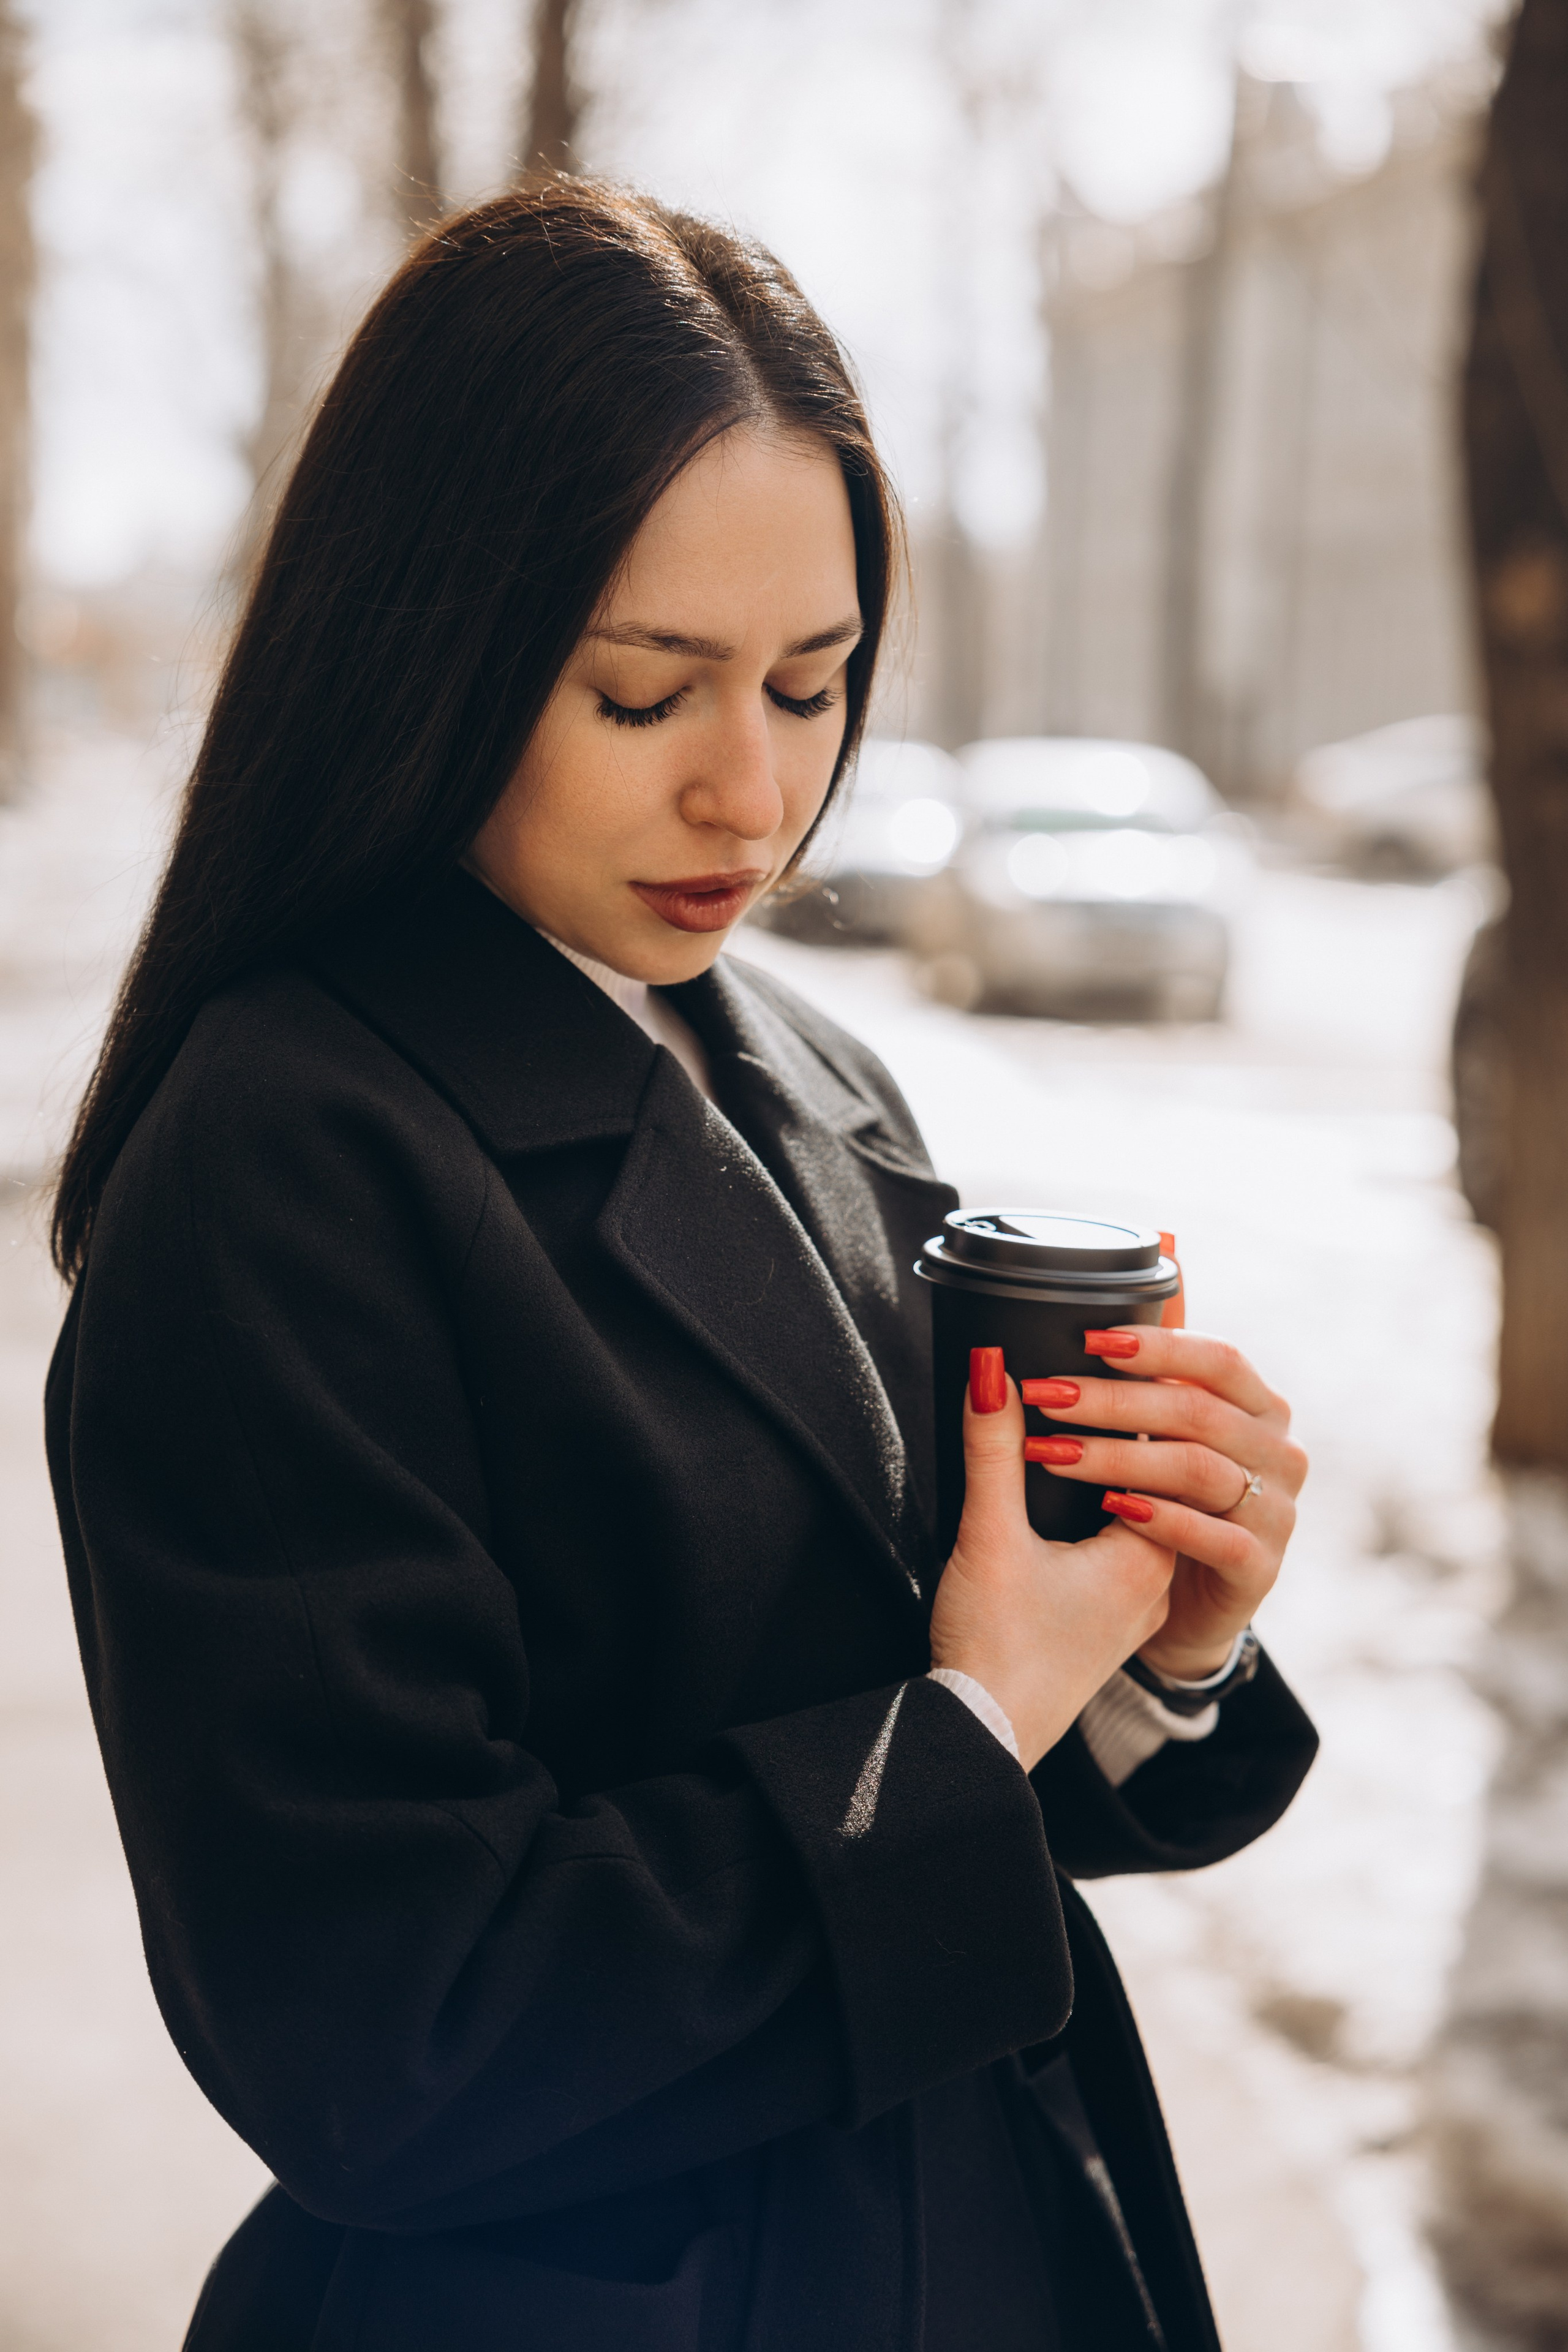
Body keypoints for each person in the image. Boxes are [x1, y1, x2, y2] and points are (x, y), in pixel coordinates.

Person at [45, 179, 1314, 2352]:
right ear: (429, 650)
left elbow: (936, 1763)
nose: (758, 789)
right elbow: (387, 2029)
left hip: (985, 2236)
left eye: (814, 685)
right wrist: (973, 1715)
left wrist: (1145, 1644)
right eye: (648, 694)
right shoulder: (280, 1161)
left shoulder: (805, 1070)